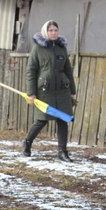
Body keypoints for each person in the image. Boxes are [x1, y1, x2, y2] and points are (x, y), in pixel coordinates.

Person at [22, 20, 76, 162]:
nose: (54, 33)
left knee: (63, 119)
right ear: (45, 32)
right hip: (45, 91)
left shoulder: (61, 48)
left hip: (62, 91)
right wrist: (31, 93)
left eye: (55, 30)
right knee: (42, 120)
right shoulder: (38, 49)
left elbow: (68, 70)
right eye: (51, 30)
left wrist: (72, 91)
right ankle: (27, 142)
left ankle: (62, 152)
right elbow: (31, 71)